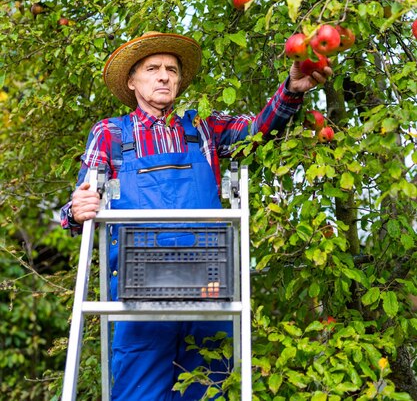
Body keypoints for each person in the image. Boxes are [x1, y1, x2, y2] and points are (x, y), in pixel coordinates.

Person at [61, 31, 331, 401]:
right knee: (137, 393)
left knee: (208, 390)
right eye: (152, 68)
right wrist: (77, 211)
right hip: (136, 295)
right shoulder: (110, 133)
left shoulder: (202, 127)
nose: (163, 76)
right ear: (132, 81)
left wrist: (293, 90)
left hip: (208, 287)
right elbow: (78, 203)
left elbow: (257, 130)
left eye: (171, 69)